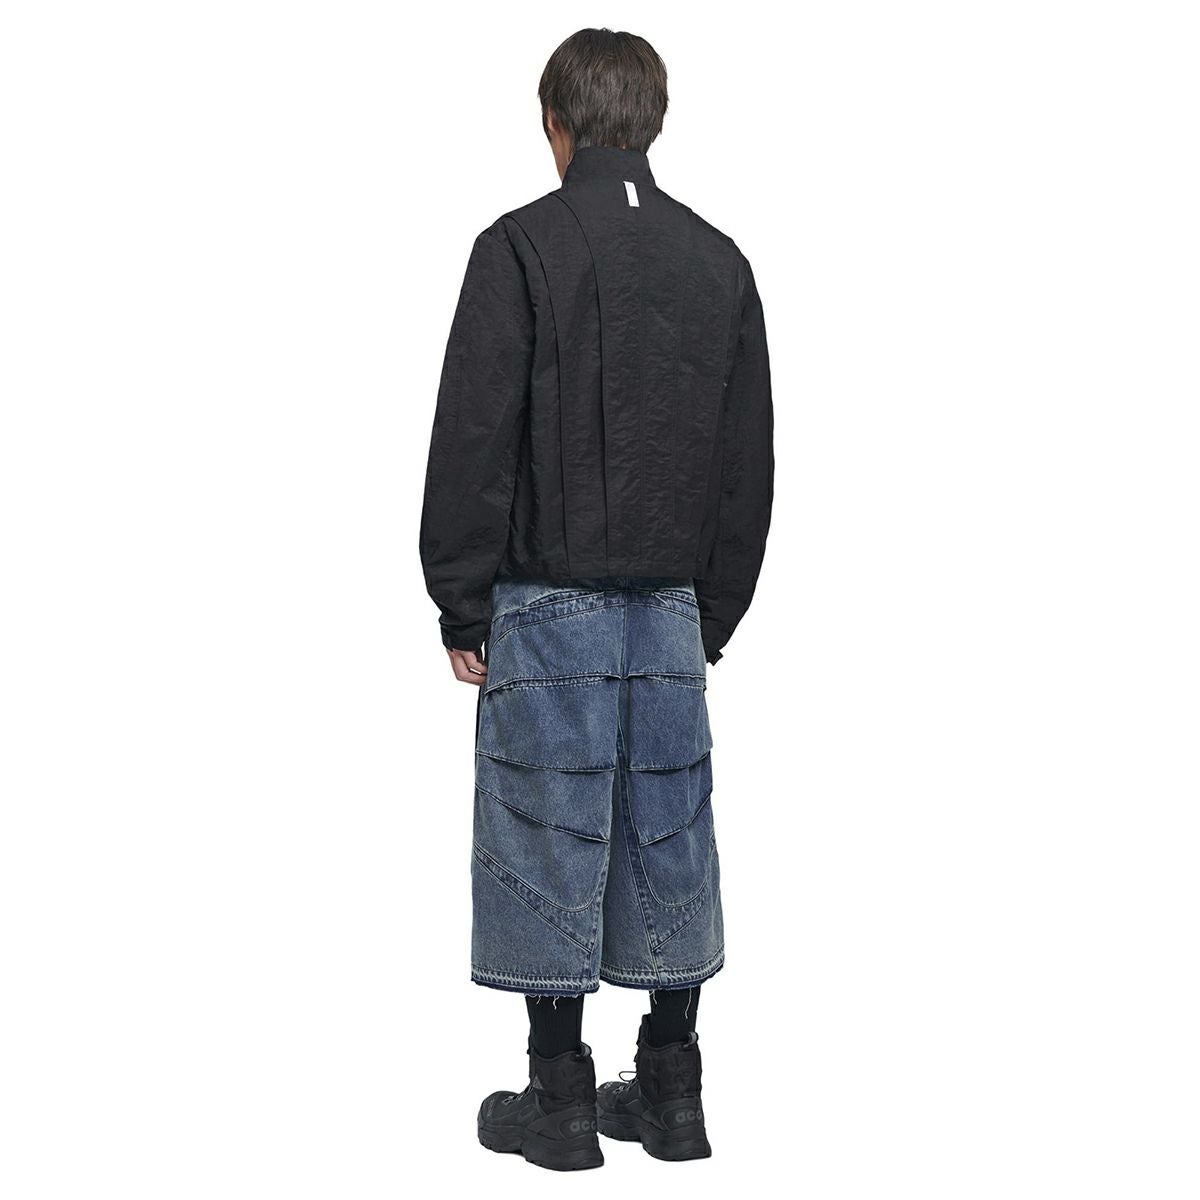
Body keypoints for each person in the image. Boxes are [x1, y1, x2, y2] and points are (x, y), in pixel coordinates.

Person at [419, 27, 774, 1170]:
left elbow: (475, 435)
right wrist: (711, 613)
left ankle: (562, 1099)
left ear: (555, 125)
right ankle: (673, 1091)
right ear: (652, 123)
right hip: (670, 611)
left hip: (548, 606)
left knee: (549, 834)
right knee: (670, 834)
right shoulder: (720, 263)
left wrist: (461, 602)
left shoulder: (519, 248)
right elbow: (746, 465)